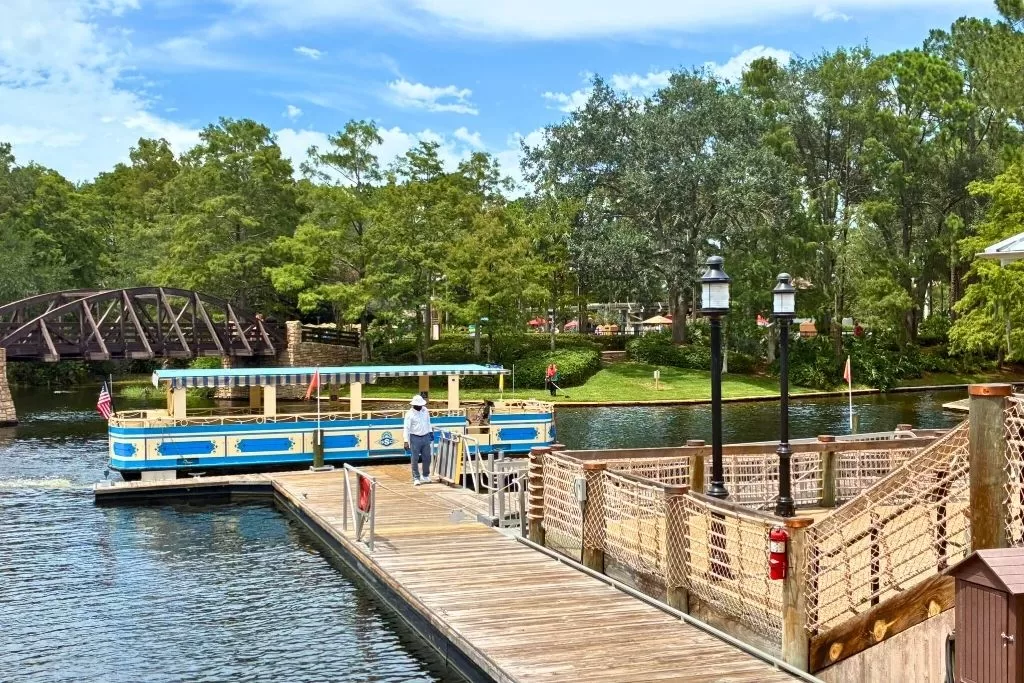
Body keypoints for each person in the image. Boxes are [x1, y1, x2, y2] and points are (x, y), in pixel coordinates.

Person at [403, 394, 432, 485]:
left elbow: (428, 422)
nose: (420, 406)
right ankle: (416, 477)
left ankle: (425, 475)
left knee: (427, 457)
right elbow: (406, 428)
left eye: (421, 405)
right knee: (415, 458)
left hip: (425, 436)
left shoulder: (425, 410)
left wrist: (430, 432)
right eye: (419, 405)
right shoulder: (409, 414)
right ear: (414, 405)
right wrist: (406, 441)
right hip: (415, 437)